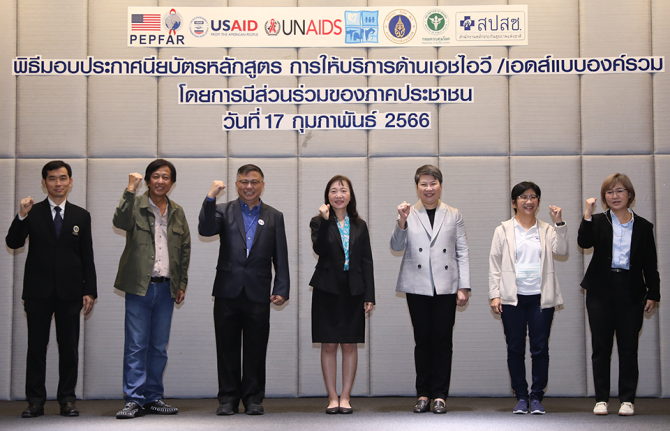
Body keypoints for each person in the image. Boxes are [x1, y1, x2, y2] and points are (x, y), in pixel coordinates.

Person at [6, 160, 97, 418]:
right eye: (53, 179)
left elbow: (86, 255)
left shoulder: (81, 215)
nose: (58, 183)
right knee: (36, 347)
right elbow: (13, 242)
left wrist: (89, 290)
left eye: (63, 178)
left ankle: (67, 399)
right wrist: (21, 215)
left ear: (70, 181)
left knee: (69, 347)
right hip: (38, 291)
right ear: (44, 182)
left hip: (70, 292)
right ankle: (35, 401)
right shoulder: (32, 212)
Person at [199, 164, 290, 416]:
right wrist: (210, 197)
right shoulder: (222, 211)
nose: (249, 186)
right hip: (227, 289)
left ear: (262, 184)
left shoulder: (274, 216)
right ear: (236, 184)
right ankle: (227, 398)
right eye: (243, 182)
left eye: (254, 182)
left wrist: (281, 287)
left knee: (256, 347)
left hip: (259, 291)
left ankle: (252, 398)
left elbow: (280, 255)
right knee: (226, 347)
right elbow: (205, 229)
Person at [113, 159, 191, 419]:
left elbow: (184, 249)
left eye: (166, 177)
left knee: (158, 346)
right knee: (136, 346)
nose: (160, 181)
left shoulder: (177, 211)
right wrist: (129, 190)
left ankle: (153, 396)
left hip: (167, 288)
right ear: (147, 181)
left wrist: (181, 283)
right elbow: (120, 221)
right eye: (155, 176)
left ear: (172, 182)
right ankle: (133, 399)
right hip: (139, 287)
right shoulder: (135, 204)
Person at [390, 165, 470, 414]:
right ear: (417, 187)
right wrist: (401, 221)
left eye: (433, 183)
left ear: (440, 186)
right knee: (422, 340)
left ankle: (440, 395)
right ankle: (423, 393)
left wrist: (463, 286)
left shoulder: (453, 213)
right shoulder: (408, 212)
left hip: (446, 286)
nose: (428, 188)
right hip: (417, 285)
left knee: (443, 341)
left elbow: (462, 251)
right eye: (423, 184)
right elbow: (395, 245)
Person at [578, 173, 660, 417]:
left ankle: (627, 399)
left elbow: (650, 263)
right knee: (601, 347)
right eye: (610, 192)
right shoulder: (599, 221)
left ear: (629, 195)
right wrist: (587, 215)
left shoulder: (644, 226)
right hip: (600, 290)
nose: (615, 196)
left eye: (620, 191)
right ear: (604, 197)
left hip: (631, 291)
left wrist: (653, 293)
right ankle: (601, 399)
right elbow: (583, 242)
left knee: (628, 348)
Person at [488, 181, 568, 415]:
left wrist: (559, 223)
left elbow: (562, 251)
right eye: (523, 197)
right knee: (514, 348)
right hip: (512, 299)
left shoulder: (547, 229)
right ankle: (521, 396)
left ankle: (537, 396)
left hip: (541, 298)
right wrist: (495, 294)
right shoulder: (503, 230)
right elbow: (494, 264)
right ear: (514, 203)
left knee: (540, 349)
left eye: (533, 197)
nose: (529, 201)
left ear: (538, 202)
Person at [309, 175, 375, 414]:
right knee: (328, 344)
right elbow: (320, 249)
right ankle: (332, 396)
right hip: (326, 289)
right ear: (328, 196)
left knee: (349, 344)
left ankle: (345, 396)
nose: (338, 195)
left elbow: (367, 260)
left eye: (343, 190)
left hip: (354, 290)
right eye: (334, 191)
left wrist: (370, 294)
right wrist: (327, 222)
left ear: (350, 195)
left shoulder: (360, 225)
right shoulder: (318, 222)